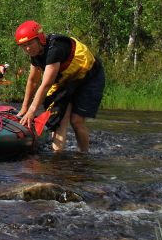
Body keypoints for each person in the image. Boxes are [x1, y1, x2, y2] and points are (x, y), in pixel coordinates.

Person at [14, 20, 106, 153]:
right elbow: (33, 81)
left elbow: (46, 85)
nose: (27, 48)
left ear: (39, 38)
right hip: (66, 81)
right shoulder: (35, 54)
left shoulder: (55, 49)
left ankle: (84, 155)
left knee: (76, 121)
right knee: (58, 118)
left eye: (30, 43)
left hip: (89, 77)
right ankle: (57, 155)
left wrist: (32, 111)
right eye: (23, 46)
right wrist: (24, 108)